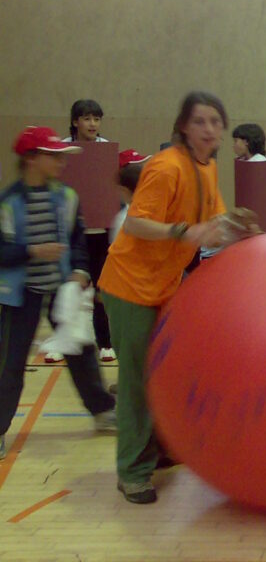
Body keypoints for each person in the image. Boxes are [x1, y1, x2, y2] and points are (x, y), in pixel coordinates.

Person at [98, 92, 256, 503]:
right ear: (184, 126)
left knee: (166, 372)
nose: (208, 130)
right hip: (130, 287)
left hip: (165, 288)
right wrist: (180, 232)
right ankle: (132, 473)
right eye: (200, 121)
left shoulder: (208, 168)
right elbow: (135, 222)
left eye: (215, 122)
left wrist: (240, 229)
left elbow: (213, 226)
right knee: (136, 381)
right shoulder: (167, 167)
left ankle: (161, 450)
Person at [0, 127, 118, 464]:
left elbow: (78, 241)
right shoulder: (7, 203)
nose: (60, 162)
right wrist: (32, 251)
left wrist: (80, 270)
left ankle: (102, 411)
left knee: (82, 352)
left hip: (61, 291)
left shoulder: (67, 197)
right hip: (20, 296)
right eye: (53, 155)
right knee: (9, 364)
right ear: (31, 159)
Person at [59, 100, 117, 363]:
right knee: (70, 287)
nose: (92, 124)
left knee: (101, 289)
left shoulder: (106, 150)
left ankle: (104, 341)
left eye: (97, 119)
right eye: (86, 119)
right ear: (75, 122)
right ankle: (63, 340)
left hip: (102, 232)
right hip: (72, 233)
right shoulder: (62, 149)